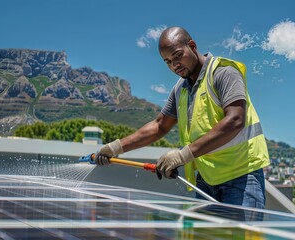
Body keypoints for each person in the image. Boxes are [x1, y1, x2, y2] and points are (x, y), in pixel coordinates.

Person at [94, 26, 270, 209]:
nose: (174, 65)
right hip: (207, 180)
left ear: (192, 46)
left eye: (177, 55)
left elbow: (235, 120)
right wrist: (115, 147)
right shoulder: (180, 89)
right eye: (168, 61)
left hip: (241, 177)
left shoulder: (223, 72)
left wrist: (182, 155)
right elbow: (160, 125)